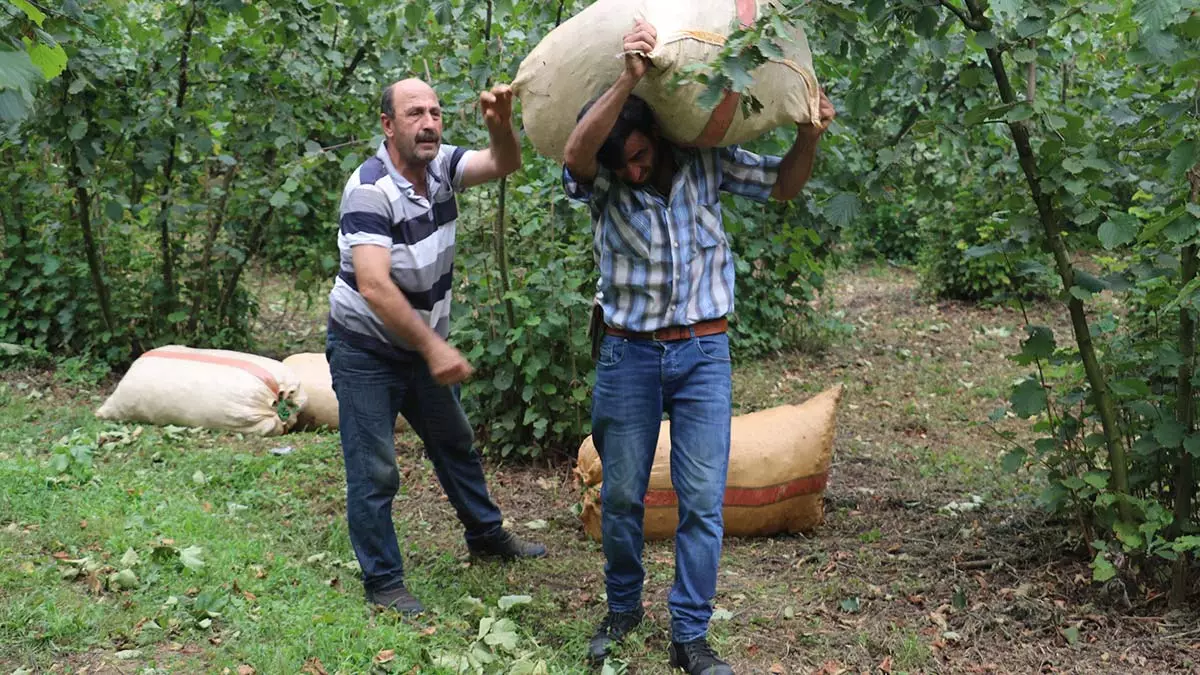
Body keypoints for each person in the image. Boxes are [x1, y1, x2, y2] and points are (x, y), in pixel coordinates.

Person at [561, 19, 837, 674]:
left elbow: (784, 185)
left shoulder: (705, 158)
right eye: (621, 162)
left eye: (638, 153)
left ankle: (690, 633)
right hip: (627, 352)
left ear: (653, 135)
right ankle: (624, 607)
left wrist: (808, 134)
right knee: (623, 493)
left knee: (702, 497)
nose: (634, 166)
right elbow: (575, 156)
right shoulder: (602, 180)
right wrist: (626, 76)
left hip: (703, 352)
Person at [326, 78, 546, 615]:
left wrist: (500, 124)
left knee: (455, 442)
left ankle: (486, 536)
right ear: (388, 125)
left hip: (418, 349)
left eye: (435, 112)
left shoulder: (441, 165)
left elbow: (504, 164)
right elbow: (375, 285)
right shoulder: (369, 190)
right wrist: (435, 348)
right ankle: (383, 582)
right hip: (365, 350)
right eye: (414, 114)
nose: (428, 123)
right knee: (374, 468)